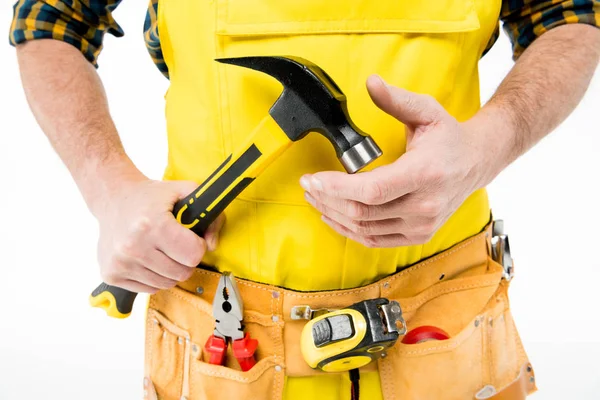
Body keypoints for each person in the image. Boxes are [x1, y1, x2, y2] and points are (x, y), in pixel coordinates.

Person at [10, 0, 599, 399]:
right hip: (228, 345)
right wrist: (108, 187)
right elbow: (50, 19)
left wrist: (487, 145)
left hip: (443, 333)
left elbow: (570, 15)